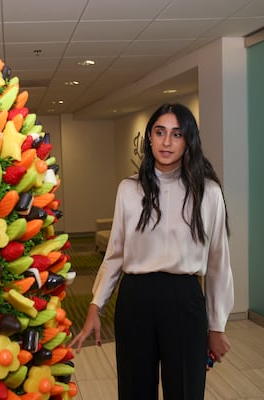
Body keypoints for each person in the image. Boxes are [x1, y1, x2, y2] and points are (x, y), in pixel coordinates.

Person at [70, 103, 234, 400]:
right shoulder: (129, 189)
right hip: (135, 301)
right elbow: (115, 255)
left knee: (185, 390)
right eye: (160, 132)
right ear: (149, 138)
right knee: (134, 391)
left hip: (184, 301)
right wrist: (95, 306)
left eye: (176, 134)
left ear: (189, 141)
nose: (167, 142)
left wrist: (217, 324)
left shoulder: (208, 192)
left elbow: (219, 262)